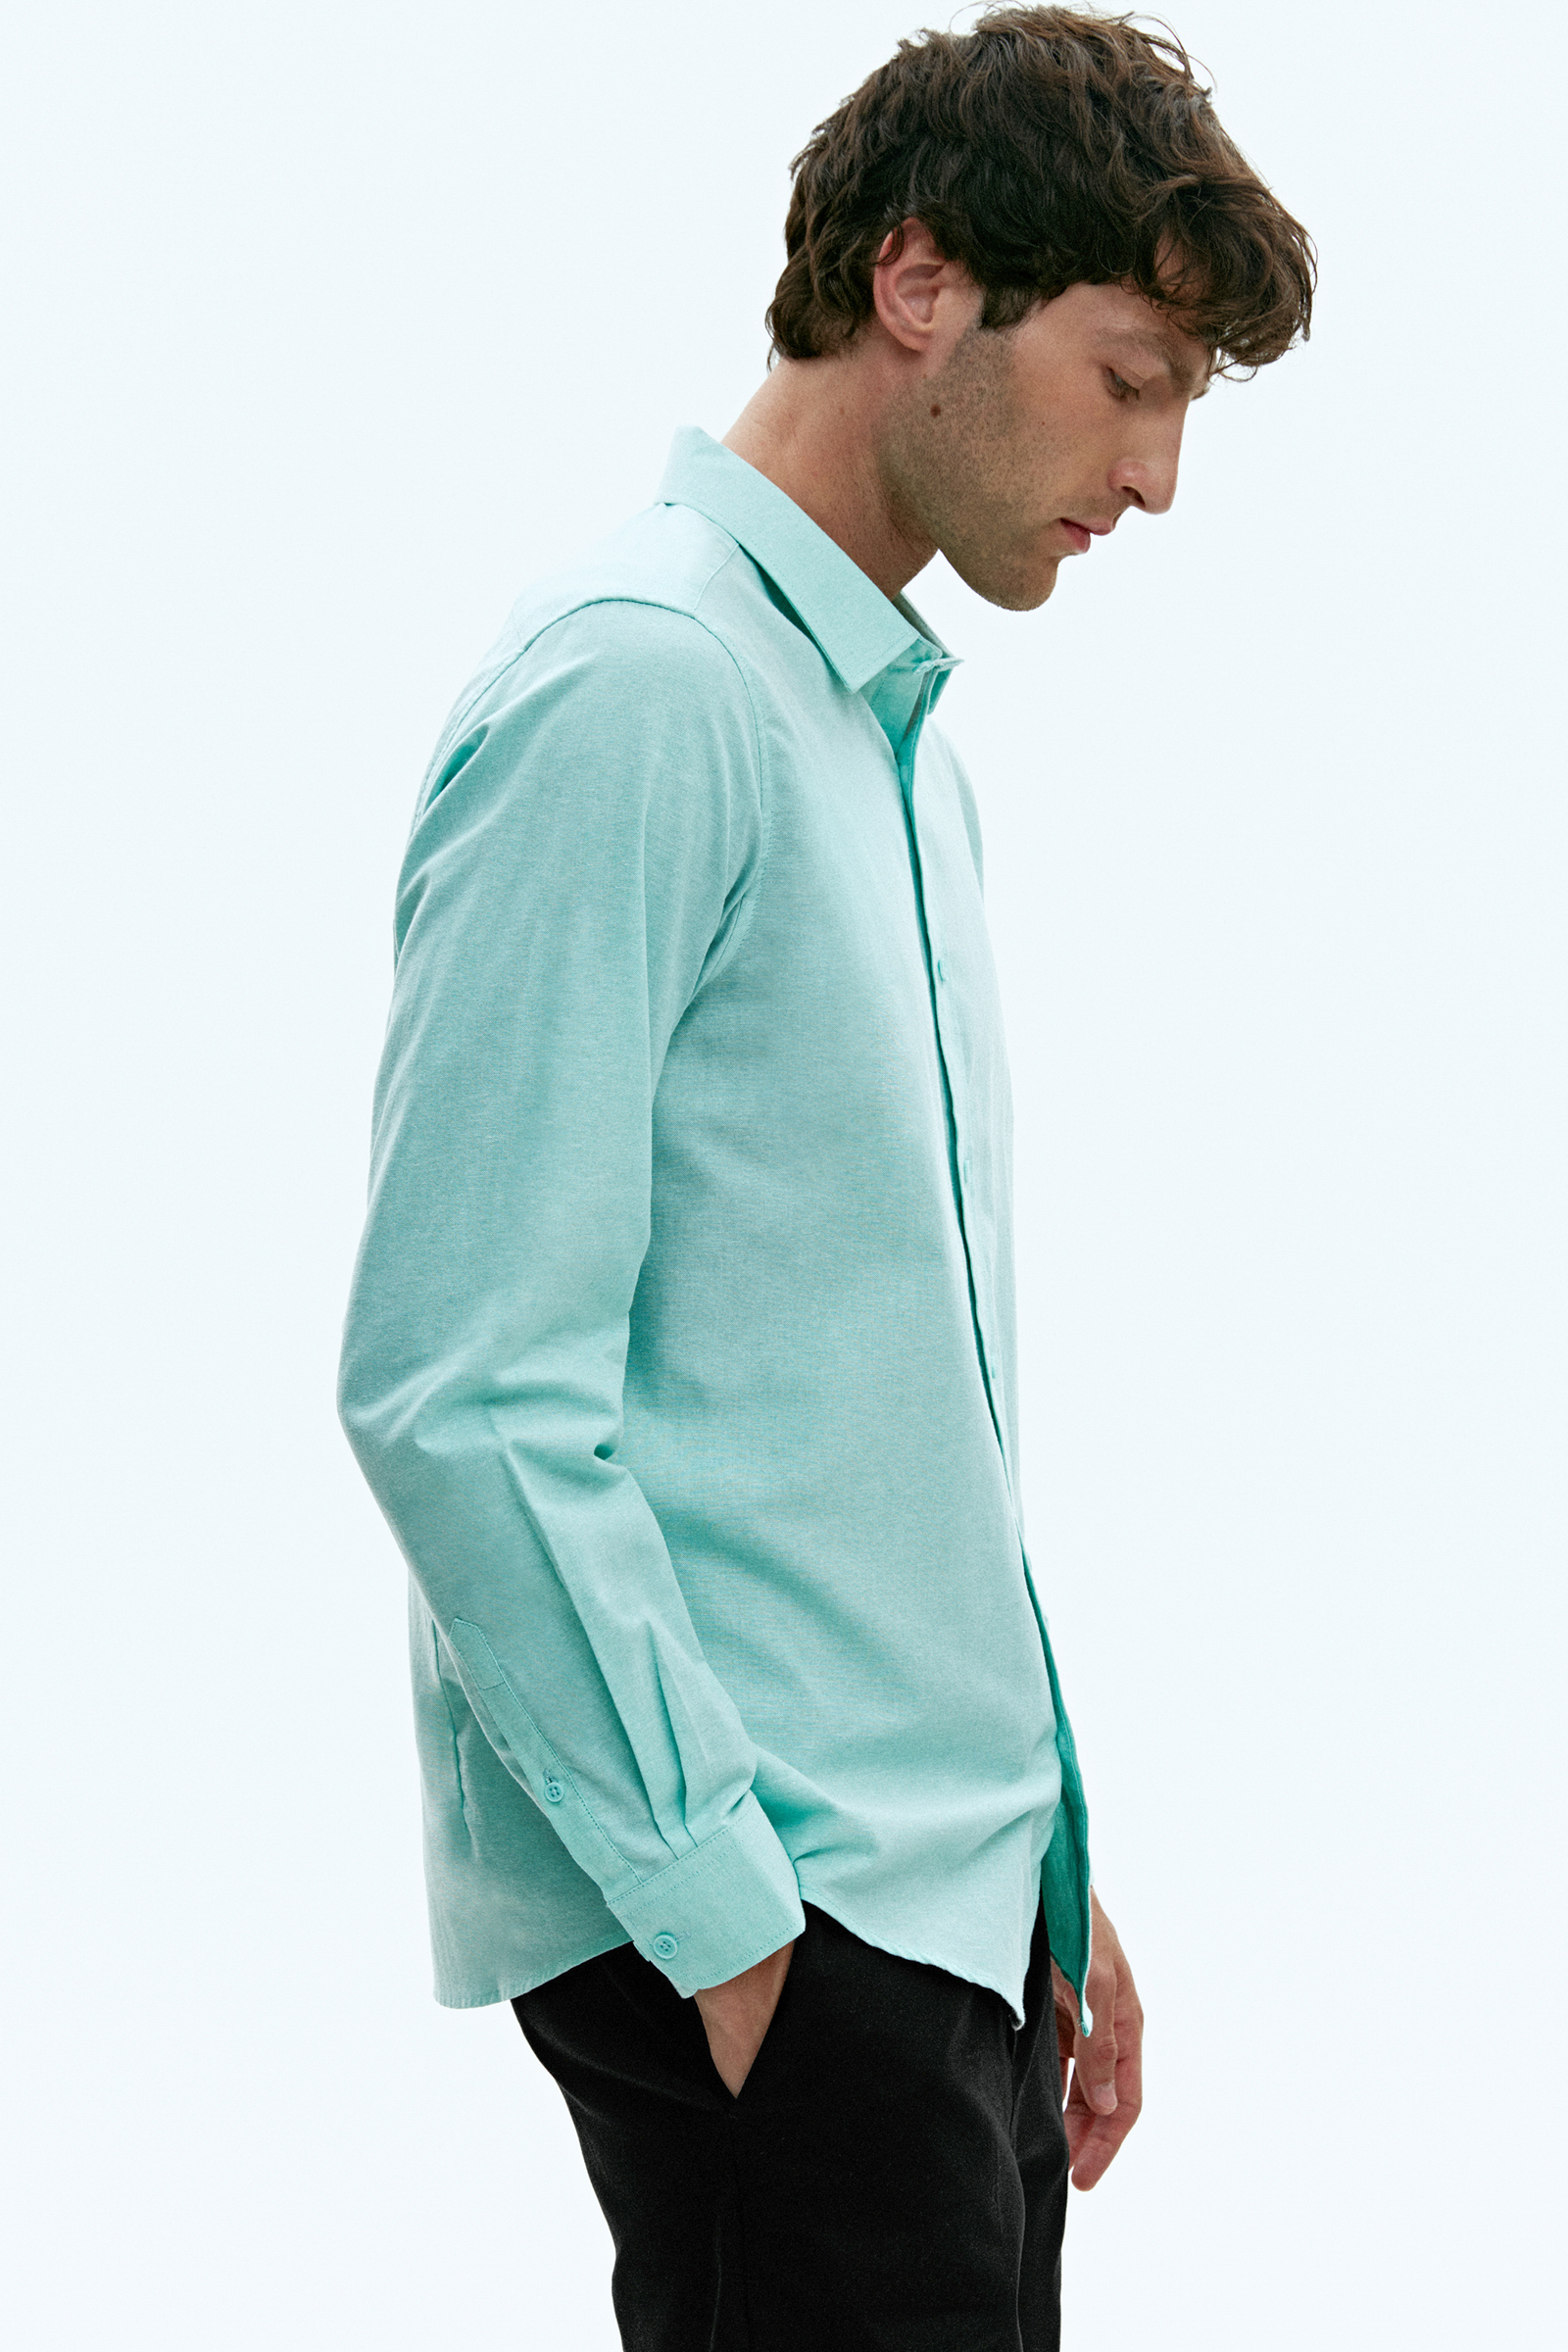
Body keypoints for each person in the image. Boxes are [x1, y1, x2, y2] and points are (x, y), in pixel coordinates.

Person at [337, 8, 1313, 2345]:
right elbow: (458, 1384)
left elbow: (860, 1406)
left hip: (924, 1924)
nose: (1155, 475)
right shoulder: (637, 693)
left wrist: (1030, 1871)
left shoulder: (886, 754)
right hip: (784, 1941)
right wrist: (741, 1938)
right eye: (1131, 378)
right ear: (917, 280)